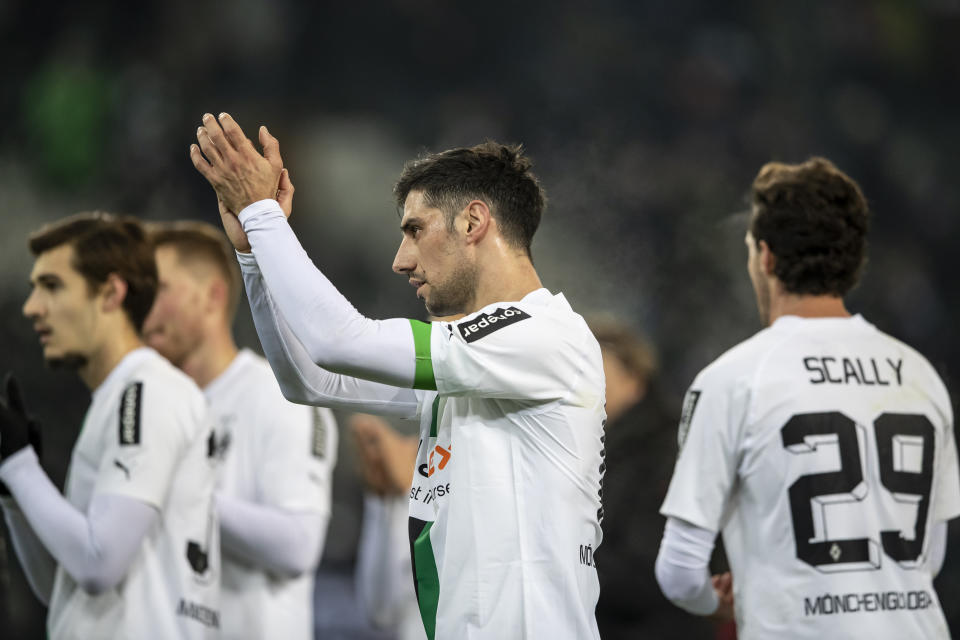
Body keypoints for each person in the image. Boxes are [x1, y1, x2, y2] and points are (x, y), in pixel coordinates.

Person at [189, 112, 606, 639]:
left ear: (473, 223)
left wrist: (264, 217)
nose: (400, 260)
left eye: (415, 230)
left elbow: (340, 340)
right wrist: (253, 253)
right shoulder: (478, 360)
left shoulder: (542, 337)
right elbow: (312, 378)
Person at [655, 158, 960, 639]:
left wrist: (723, 601)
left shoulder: (733, 379)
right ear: (853, 258)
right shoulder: (921, 376)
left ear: (767, 257)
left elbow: (679, 571)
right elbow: (930, 556)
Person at [0, 213, 220, 639]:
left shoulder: (145, 390)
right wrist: (15, 496)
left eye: (52, 286)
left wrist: (20, 465)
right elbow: (66, 585)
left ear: (111, 294)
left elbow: (98, 565)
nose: (32, 308)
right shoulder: (119, 397)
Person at [142, 220, 337, 640]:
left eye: (158, 290)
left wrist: (177, 492)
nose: (143, 310)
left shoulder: (278, 395)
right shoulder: (152, 406)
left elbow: (298, 545)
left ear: (212, 296)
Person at [589, 319, 713, 639]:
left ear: (634, 378)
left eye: (593, 369)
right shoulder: (598, 444)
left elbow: (652, 572)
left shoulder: (667, 448)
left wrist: (562, 564)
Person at [352, 413, 426, 640]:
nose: (373, 456)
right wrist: (382, 501)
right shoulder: (388, 502)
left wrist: (404, 496)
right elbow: (377, 611)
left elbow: (384, 610)